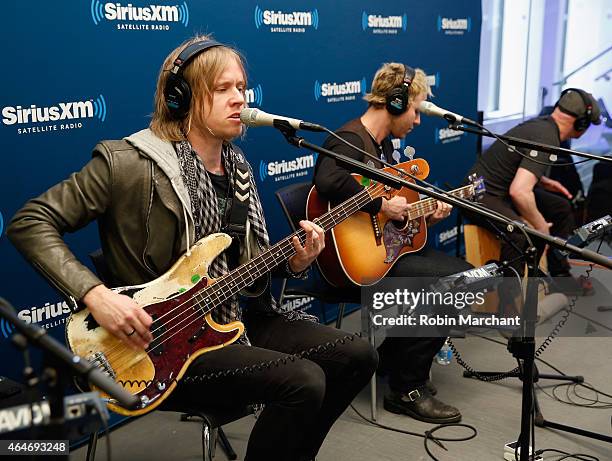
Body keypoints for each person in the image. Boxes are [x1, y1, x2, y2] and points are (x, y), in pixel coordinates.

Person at [7, 35, 377, 461]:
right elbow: (31, 222)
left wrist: (294, 262)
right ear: (180, 97)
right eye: (223, 89)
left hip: (237, 317)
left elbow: (244, 267)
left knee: (357, 355)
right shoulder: (127, 162)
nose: (240, 99)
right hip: (166, 342)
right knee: (304, 380)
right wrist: (96, 295)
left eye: (242, 87)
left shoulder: (237, 166)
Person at [313, 62, 472, 424]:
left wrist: (422, 213)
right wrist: (384, 204)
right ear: (396, 103)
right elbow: (327, 178)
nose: (417, 121)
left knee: (463, 277)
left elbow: (389, 218)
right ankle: (406, 388)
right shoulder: (350, 139)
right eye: (415, 110)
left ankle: (392, 361)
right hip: (352, 267)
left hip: (380, 255)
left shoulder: (381, 147)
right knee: (454, 281)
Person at [464, 88, 602, 291]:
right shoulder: (547, 137)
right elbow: (519, 192)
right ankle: (509, 307)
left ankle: (559, 275)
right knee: (520, 232)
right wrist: (543, 229)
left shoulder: (544, 127)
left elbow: (517, 170)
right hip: (477, 195)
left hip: (499, 191)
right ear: (582, 123)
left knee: (560, 207)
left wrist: (540, 180)